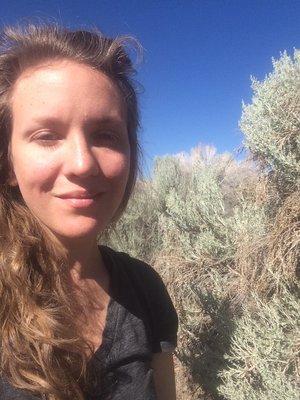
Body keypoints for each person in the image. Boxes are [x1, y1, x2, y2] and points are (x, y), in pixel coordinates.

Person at [0, 23, 178, 400]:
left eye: (105, 135)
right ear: (9, 164)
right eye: (47, 136)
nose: (82, 164)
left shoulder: (145, 289)